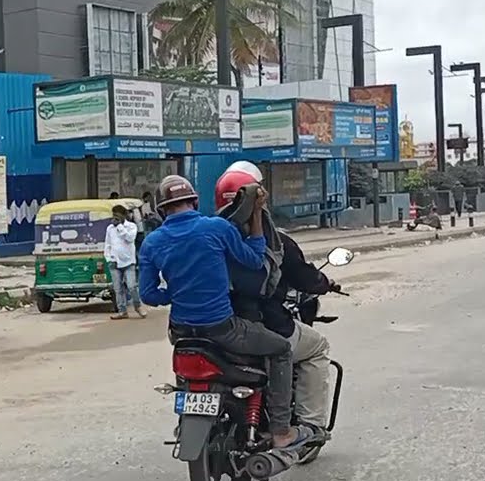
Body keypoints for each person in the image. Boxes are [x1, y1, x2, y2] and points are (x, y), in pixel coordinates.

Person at [139, 175, 306, 450]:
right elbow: (254, 260)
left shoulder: (152, 243)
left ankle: (185, 420)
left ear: (161, 209)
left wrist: (175, 293)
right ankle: (281, 431)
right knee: (280, 350)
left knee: (186, 368)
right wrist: (255, 217)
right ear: (193, 201)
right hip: (222, 329)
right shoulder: (215, 228)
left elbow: (147, 294)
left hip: (181, 333)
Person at [215, 165, 338, 438]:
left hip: (212, 327)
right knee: (317, 346)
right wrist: (324, 283)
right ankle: (308, 425)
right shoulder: (275, 242)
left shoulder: (208, 238)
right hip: (259, 323)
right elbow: (304, 277)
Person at [104, 204, 145, 320]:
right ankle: (122, 311)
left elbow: (130, 238)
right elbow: (107, 244)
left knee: (132, 286)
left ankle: (138, 306)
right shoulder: (110, 229)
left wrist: (120, 227)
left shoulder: (131, 226)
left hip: (128, 261)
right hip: (114, 261)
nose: (114, 219)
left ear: (123, 216)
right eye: (113, 216)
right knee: (118, 289)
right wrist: (108, 257)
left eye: (117, 216)